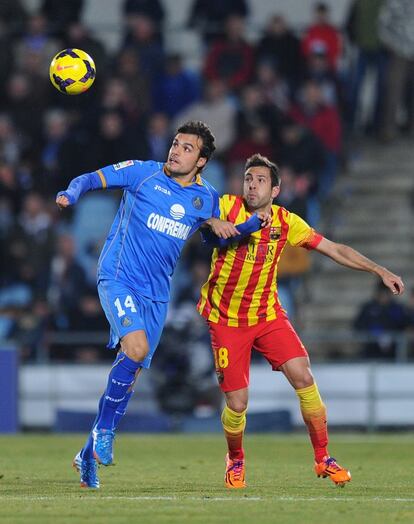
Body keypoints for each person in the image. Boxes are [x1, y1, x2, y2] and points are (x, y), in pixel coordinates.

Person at [56, 121, 269, 489]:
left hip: (157, 296)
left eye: (187, 148)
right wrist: (72, 193)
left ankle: (87, 453)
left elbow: (213, 241)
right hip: (119, 276)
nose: (176, 151)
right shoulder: (142, 173)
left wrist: (246, 227)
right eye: (175, 144)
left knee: (132, 373)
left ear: (201, 161)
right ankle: (105, 431)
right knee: (135, 348)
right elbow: (91, 179)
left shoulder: (207, 199)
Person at [197, 153, 404, 489]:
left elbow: (334, 249)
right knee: (237, 404)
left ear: (276, 190)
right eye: (248, 178)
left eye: (260, 180)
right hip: (227, 320)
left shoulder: (285, 222)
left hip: (267, 315)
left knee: (304, 377)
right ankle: (235, 459)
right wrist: (208, 222)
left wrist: (378, 269)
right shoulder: (224, 206)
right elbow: (193, 213)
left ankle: (323, 458)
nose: (252, 184)